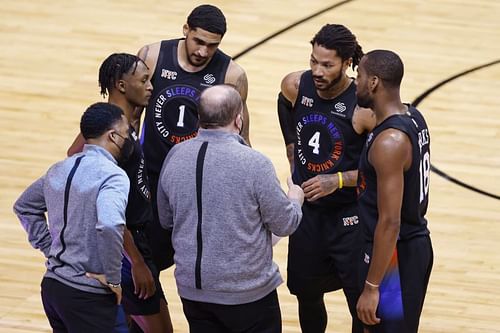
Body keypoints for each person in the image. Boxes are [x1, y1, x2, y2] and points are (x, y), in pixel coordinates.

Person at [157, 84, 304, 333]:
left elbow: (165, 218)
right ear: (239, 120)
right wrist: (295, 198)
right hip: (247, 293)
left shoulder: (175, 155)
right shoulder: (254, 163)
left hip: (193, 291)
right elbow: (284, 223)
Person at [277, 24, 376, 333]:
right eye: (313, 61)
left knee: (358, 301)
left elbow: (383, 170)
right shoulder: (296, 85)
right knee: (306, 294)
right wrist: (292, 147)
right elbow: (283, 104)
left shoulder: (363, 108)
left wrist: (339, 180)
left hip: (349, 218)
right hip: (307, 214)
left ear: (347, 63)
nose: (317, 71)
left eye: (327, 65)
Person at [137, 4, 251, 272]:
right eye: (198, 41)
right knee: (146, 262)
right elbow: (129, 115)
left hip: (200, 183)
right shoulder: (152, 56)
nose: (203, 51)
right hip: (152, 177)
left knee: (199, 266)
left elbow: (241, 137)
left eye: (212, 45)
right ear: (185, 30)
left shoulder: (231, 74)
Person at [67, 53, 173, 333]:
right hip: (129, 247)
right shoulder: (113, 134)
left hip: (133, 241)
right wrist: (136, 261)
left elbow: (72, 154)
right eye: (144, 80)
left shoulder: (123, 120)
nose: (151, 86)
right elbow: (76, 158)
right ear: (122, 85)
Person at [13, 102, 130, 333]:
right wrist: (114, 279)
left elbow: (24, 206)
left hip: (53, 288)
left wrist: (52, 250)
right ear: (113, 136)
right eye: (127, 133)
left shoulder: (59, 169)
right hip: (88, 294)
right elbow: (109, 224)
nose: (129, 139)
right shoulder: (113, 176)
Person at [355, 50, 433, 332]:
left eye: (360, 76)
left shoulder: (389, 143)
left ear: (374, 83)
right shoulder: (414, 116)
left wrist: (372, 286)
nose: (355, 82)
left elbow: (390, 222)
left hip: (394, 259)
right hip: (412, 247)